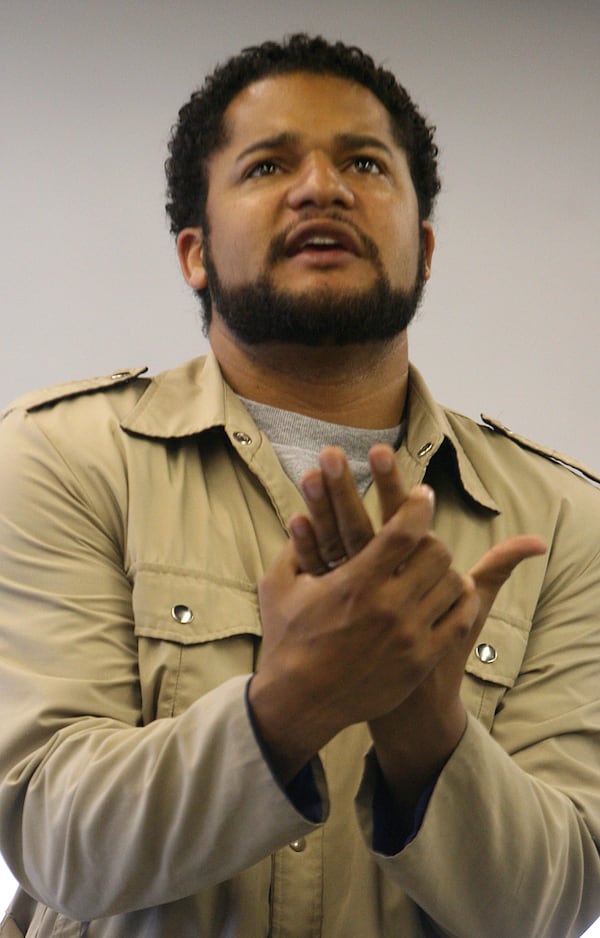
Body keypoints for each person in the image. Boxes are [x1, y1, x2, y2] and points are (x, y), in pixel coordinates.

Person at [0, 33, 599, 938]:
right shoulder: (63, 456)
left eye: (363, 161)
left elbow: (550, 905)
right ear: (195, 255)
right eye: (268, 165)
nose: (323, 186)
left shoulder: (565, 521)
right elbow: (56, 843)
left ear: (424, 249)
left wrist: (429, 736)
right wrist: (290, 706)